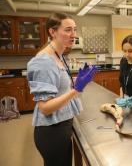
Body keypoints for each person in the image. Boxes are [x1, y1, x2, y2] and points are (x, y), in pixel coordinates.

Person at [27, 13, 96, 166]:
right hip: (52, 131)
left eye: (75, 30)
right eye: (68, 30)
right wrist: (76, 90)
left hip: (62, 126)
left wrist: (77, 80)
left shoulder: (59, 55)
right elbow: (45, 108)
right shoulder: (43, 61)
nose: (74, 35)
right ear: (52, 32)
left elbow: (59, 88)